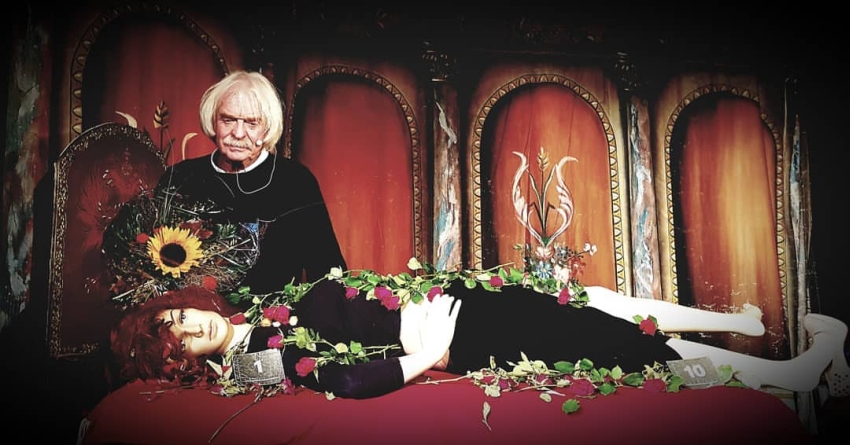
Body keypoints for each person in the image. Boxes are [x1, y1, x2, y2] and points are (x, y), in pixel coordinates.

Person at [110, 276, 848, 400]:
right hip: (458, 330)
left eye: (177, 315)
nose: (191, 326)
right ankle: (793, 374)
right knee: (620, 345)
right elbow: (342, 378)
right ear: (183, 361)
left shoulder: (252, 312)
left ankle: (758, 340)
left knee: (599, 310)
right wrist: (424, 357)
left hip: (459, 297)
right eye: (178, 340)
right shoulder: (251, 365)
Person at [152, 70, 346, 292]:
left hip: (267, 312)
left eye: (251, 123)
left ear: (267, 128)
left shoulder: (295, 182)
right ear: (213, 121)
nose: (238, 133)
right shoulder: (180, 177)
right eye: (228, 120)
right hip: (189, 310)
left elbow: (327, 271)